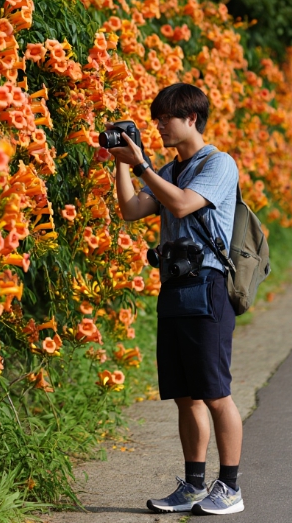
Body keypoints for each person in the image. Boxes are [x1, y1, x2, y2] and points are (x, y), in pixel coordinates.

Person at [107, 83, 244, 516]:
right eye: (157, 118)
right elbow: (131, 210)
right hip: (174, 287)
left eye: (166, 117)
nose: (160, 124)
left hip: (208, 287)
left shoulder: (219, 164)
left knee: (215, 393)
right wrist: (123, 165)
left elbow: (183, 205)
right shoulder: (168, 168)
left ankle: (231, 487)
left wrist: (144, 165)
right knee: (185, 395)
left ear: (191, 119)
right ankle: (194, 485)